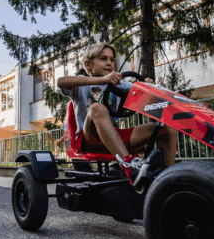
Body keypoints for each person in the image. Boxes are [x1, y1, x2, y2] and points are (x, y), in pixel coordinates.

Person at [56, 42, 176, 187]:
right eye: (103, 59)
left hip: (115, 138)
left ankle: (166, 181)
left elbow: (143, 93)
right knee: (96, 108)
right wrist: (102, 80)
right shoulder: (81, 85)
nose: (109, 63)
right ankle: (129, 166)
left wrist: (147, 86)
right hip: (90, 139)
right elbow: (61, 82)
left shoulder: (119, 85)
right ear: (88, 64)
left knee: (167, 129)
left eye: (112, 60)